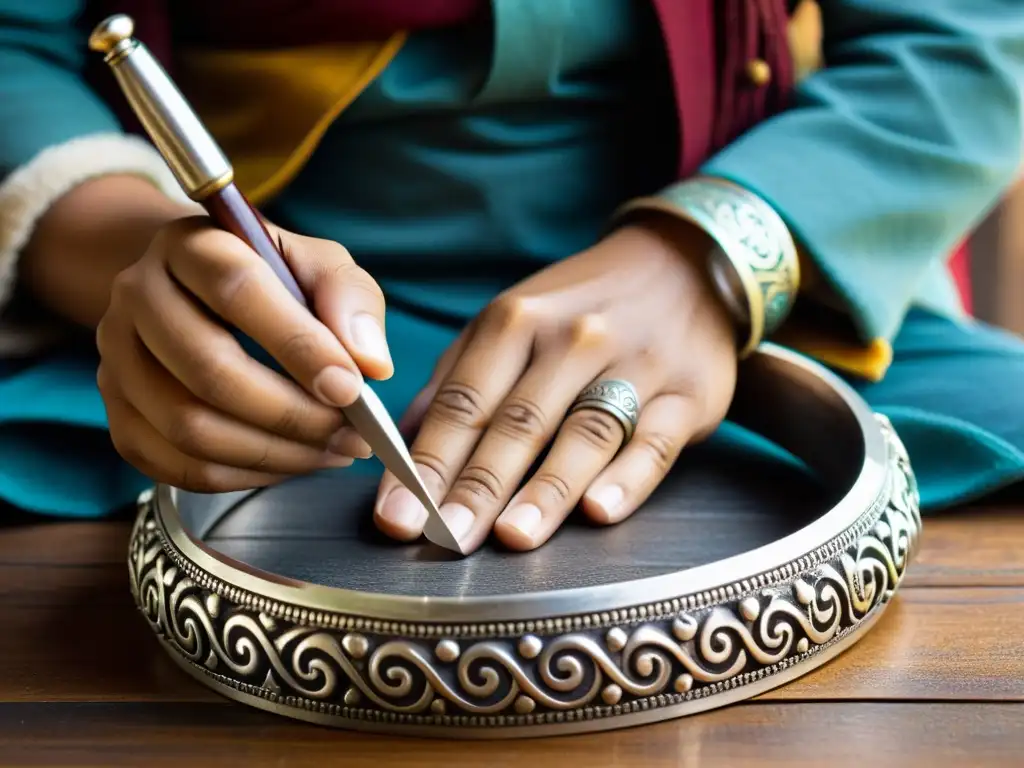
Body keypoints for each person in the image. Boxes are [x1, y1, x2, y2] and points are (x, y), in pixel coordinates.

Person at [0, 0, 1022, 554]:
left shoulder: (730, 265)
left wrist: (707, 260)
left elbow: (963, 39)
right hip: (268, 326)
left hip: (770, 274)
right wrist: (135, 253)